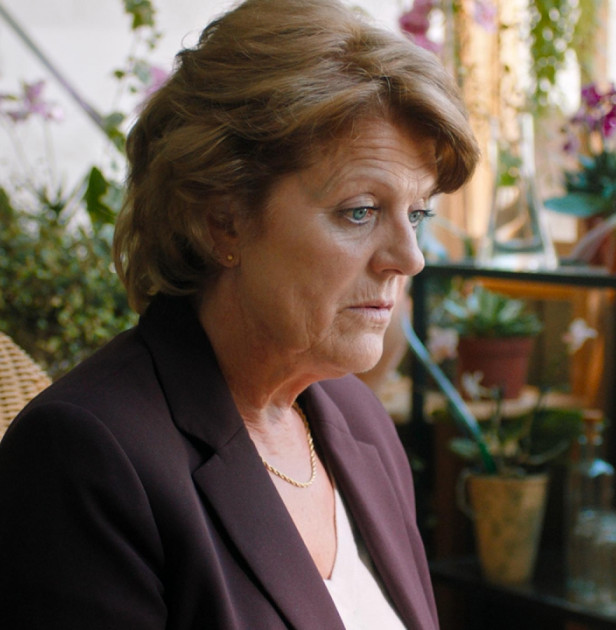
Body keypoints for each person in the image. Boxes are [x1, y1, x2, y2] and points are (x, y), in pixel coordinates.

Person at [0, 0, 479, 628]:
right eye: (360, 211)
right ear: (222, 220)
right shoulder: (85, 456)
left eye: (416, 214)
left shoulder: (358, 421)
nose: (409, 258)